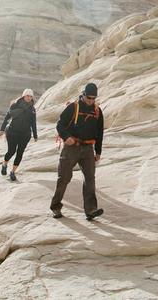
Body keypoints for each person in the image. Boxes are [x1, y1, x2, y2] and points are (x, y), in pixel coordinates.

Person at [50, 82, 105, 220]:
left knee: (90, 178)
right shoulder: (73, 107)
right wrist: (66, 137)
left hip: (87, 149)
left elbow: (99, 133)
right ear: (83, 94)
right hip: (71, 147)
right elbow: (60, 124)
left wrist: (98, 152)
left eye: (93, 98)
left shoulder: (97, 111)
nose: (91, 100)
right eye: (89, 97)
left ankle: (91, 210)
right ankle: (56, 207)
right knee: (64, 178)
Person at [0, 88, 38, 181]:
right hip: (12, 132)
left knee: (20, 153)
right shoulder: (15, 105)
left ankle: (13, 172)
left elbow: (33, 123)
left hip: (25, 134)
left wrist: (35, 135)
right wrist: (2, 129)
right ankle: (4, 164)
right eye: (27, 96)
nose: (29, 98)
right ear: (23, 96)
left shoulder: (32, 109)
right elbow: (7, 118)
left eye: (30, 96)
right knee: (11, 151)